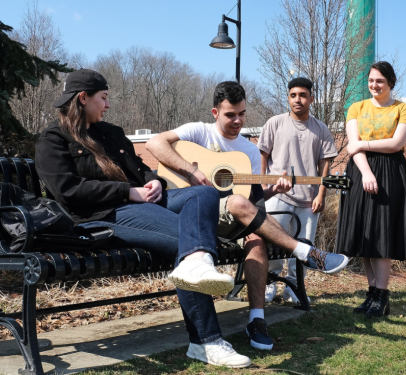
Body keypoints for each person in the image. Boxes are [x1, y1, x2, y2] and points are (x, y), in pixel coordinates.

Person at [35, 69, 251, 368]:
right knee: (186, 243)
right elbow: (67, 190)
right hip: (100, 215)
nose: (107, 105)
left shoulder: (111, 133)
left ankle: (198, 264)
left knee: (204, 194)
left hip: (144, 203)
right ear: (83, 98)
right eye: (103, 98)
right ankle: (206, 342)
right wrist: (128, 193)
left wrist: (154, 183)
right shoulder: (53, 138)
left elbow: (140, 167)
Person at [147, 81, 349, 351]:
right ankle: (305, 252)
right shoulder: (197, 132)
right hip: (192, 214)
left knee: (256, 236)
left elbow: (253, 202)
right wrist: (191, 172)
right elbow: (154, 143)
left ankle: (257, 320)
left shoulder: (249, 151)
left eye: (242, 114)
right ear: (215, 112)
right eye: (230, 114)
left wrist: (273, 189)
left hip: (229, 220)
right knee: (237, 202)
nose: (238, 120)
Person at [335, 61, 406, 318]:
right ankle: (371, 294)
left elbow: (396, 143)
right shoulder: (356, 107)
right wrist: (367, 172)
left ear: (391, 82)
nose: (374, 85)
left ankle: (382, 297)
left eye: (380, 81)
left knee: (382, 232)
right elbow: (352, 147)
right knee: (365, 234)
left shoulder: (403, 109)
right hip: (361, 172)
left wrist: (364, 145)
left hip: (391, 173)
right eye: (371, 81)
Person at [258, 77, 338, 304]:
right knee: (272, 244)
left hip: (308, 200)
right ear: (288, 98)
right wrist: (265, 186)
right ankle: (269, 285)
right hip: (277, 195)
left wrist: (321, 194)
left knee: (304, 247)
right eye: (293, 95)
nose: (298, 100)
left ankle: (293, 289)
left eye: (302, 95)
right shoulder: (274, 123)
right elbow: (262, 155)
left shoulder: (321, 129)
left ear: (311, 98)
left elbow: (325, 165)